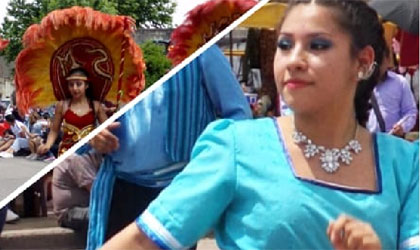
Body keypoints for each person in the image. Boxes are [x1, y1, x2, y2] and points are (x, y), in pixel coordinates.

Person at [103, 1, 417, 249]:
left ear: (362, 62)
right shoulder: (237, 147)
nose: (294, 60)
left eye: (318, 45)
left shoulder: (406, 164)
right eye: (284, 45)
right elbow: (143, 241)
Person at [86, 45, 252, 249]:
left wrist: (210, 168)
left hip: (177, 192)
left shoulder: (202, 51)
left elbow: (239, 117)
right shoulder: (108, 53)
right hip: (120, 188)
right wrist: (93, 135)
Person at [37, 68, 108, 157]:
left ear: (86, 85)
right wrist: (47, 145)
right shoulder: (62, 105)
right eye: (71, 85)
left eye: (78, 84)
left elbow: (107, 128)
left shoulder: (96, 106)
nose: (74, 88)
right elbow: (54, 130)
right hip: (66, 153)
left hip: (89, 154)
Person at [367, 51, 417, 137]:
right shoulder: (360, 85)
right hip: (367, 142)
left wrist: (402, 127)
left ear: (387, 61)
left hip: (393, 140)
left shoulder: (400, 82)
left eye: (379, 61)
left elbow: (410, 112)